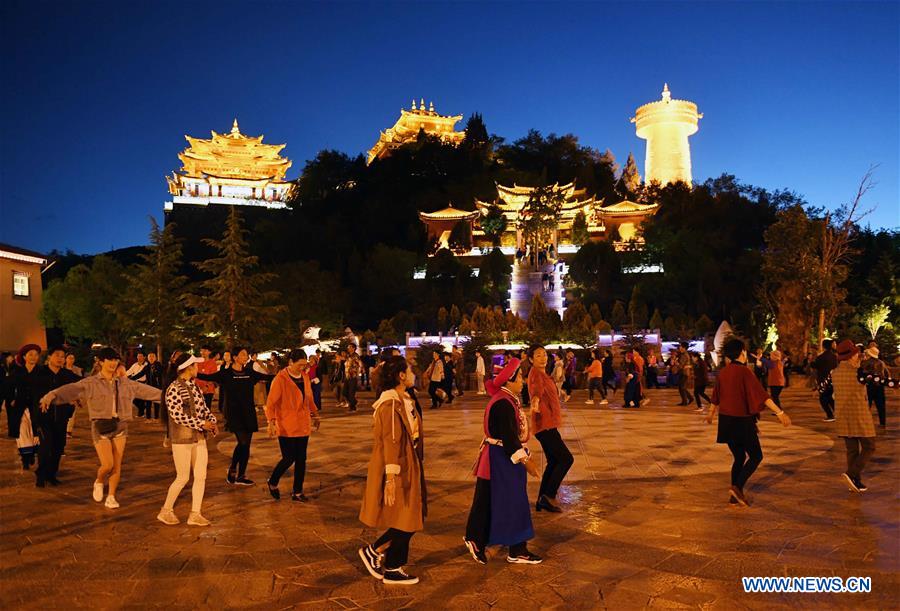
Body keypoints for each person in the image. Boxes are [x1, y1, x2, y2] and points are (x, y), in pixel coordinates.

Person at [40, 347, 162, 509]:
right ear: (101, 362)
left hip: (120, 426)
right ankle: (99, 481)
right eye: (109, 360)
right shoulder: (91, 382)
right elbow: (72, 389)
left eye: (115, 360)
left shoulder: (125, 383)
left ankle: (111, 496)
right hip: (100, 426)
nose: (113, 363)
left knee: (117, 465)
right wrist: (51, 395)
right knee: (107, 465)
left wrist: (169, 397)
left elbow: (147, 391)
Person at [464, 358, 542, 565]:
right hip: (500, 460)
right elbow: (509, 438)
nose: (523, 381)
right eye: (520, 377)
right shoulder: (503, 403)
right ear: (509, 380)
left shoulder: (506, 399)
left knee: (493, 501)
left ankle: (512, 547)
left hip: (499, 459)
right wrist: (528, 463)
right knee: (504, 502)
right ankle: (480, 540)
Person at [358, 356, 426, 585]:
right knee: (406, 516)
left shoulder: (404, 398)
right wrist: (390, 478)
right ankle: (387, 561)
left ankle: (382, 556)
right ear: (401, 376)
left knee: (410, 515)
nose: (414, 374)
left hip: (409, 463)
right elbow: (391, 441)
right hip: (398, 465)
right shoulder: (390, 404)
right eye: (410, 370)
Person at [705, 338, 791, 506]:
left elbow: (715, 397)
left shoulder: (723, 372)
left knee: (738, 457)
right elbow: (762, 395)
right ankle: (737, 487)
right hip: (741, 422)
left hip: (726, 422)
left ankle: (734, 496)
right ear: (742, 352)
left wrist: (710, 415)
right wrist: (780, 412)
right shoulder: (744, 372)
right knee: (756, 456)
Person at [196, 347, 274, 486]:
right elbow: (207, 377)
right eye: (243, 354)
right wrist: (188, 372)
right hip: (233, 413)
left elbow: (266, 377)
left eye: (246, 354)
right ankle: (233, 468)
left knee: (246, 445)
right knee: (243, 442)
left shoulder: (249, 372)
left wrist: (286, 374)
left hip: (248, 412)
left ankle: (241, 475)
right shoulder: (225, 374)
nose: (246, 356)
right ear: (234, 357)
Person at [157, 353, 218, 526]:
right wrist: (201, 423)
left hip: (198, 437)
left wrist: (212, 421)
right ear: (188, 368)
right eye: (195, 365)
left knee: (201, 476)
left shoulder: (195, 387)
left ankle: (195, 513)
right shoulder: (174, 388)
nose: (198, 368)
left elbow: (204, 409)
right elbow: (177, 415)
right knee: (182, 477)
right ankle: (166, 510)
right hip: (182, 439)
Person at [265, 349, 320, 502]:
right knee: (288, 458)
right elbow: (270, 404)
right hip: (287, 425)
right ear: (290, 362)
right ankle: (273, 481)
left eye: (305, 364)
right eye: (300, 365)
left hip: (303, 424)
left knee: (301, 459)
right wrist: (271, 422)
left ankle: (297, 491)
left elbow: (309, 398)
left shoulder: (305, 376)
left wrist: (315, 414)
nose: (303, 367)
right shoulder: (280, 379)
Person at [527, 345, 573, 513]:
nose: (543, 358)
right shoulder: (536, 375)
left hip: (546, 424)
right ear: (531, 359)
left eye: (544, 355)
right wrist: (535, 402)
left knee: (554, 461)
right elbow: (536, 390)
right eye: (538, 355)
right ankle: (549, 496)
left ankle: (542, 499)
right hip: (544, 424)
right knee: (566, 459)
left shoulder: (543, 374)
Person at [29, 347, 81, 486]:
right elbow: (33, 396)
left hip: (61, 418)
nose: (60, 358)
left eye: (63, 356)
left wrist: (74, 401)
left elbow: (81, 384)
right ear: (49, 357)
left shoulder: (66, 374)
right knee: (45, 448)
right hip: (44, 418)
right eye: (57, 355)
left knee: (58, 448)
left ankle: (51, 475)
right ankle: (41, 474)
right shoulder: (39, 373)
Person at [832, 340, 877, 492]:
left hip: (843, 415)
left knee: (852, 450)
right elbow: (879, 380)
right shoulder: (859, 373)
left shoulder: (835, 373)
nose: (859, 356)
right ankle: (851, 474)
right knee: (869, 446)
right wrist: (895, 383)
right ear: (851, 356)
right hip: (859, 415)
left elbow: (823, 388)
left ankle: (854, 482)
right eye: (856, 354)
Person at [6, 344, 42, 468]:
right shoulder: (17, 372)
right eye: (30, 354)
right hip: (20, 407)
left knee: (34, 431)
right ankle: (26, 458)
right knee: (22, 433)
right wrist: (11, 399)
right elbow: (7, 387)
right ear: (24, 356)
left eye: (36, 354)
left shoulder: (41, 372)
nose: (33, 357)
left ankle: (31, 454)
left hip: (36, 407)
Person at [860, 342, 889, 430]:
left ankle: (865, 422)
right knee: (880, 405)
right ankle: (882, 422)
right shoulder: (881, 363)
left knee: (867, 405)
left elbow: (861, 374)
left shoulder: (864, 363)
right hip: (879, 386)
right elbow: (887, 374)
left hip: (869, 386)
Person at [812, 340, 838, 421]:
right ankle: (836, 414)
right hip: (832, 379)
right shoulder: (834, 356)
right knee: (830, 397)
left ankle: (830, 415)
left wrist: (811, 363)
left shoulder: (821, 357)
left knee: (823, 398)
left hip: (823, 380)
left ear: (823, 346)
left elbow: (815, 366)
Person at [195, 346, 219, 410]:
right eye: (201, 350)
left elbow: (213, 377)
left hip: (208, 390)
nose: (202, 352)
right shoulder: (196, 362)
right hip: (197, 389)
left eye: (205, 350)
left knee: (207, 409)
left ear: (209, 352)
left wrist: (206, 386)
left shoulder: (212, 363)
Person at [144, 352, 164, 420]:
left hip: (157, 386)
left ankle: (156, 417)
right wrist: (130, 378)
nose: (151, 358)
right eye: (150, 357)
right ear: (148, 358)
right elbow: (140, 374)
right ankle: (148, 417)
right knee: (148, 403)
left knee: (156, 403)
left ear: (155, 358)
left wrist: (155, 370)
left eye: (153, 356)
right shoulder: (146, 367)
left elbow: (160, 374)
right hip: (148, 387)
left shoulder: (159, 366)